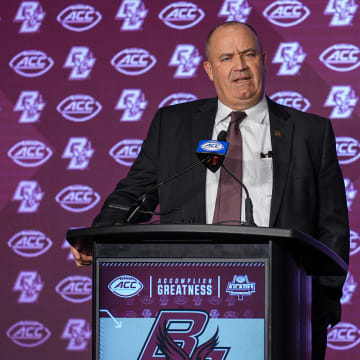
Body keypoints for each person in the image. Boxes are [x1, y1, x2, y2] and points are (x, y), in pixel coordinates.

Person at [70, 21, 349, 359]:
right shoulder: (173, 124)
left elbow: (332, 228)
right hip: (187, 294)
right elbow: (136, 194)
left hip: (282, 304)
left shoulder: (310, 132)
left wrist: (320, 304)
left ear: (263, 59)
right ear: (209, 69)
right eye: (227, 58)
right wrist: (98, 236)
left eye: (248, 55)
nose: (240, 67)